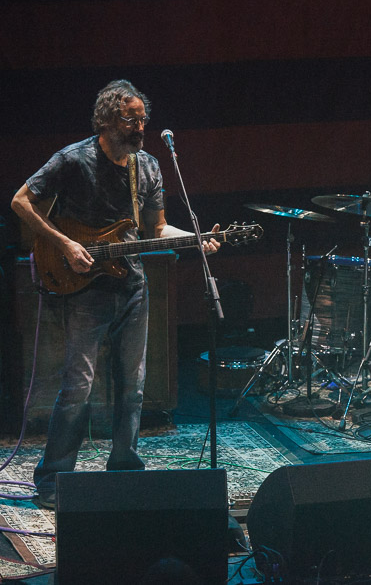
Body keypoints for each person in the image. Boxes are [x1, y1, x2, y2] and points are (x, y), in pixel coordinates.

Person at [11, 80, 220, 509]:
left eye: (143, 119)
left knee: (134, 386)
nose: (140, 127)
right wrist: (65, 244)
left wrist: (196, 239)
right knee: (78, 385)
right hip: (84, 288)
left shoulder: (149, 167)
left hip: (131, 283)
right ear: (106, 121)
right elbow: (20, 201)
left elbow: (157, 229)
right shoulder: (73, 159)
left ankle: (125, 472)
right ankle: (53, 479)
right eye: (131, 119)